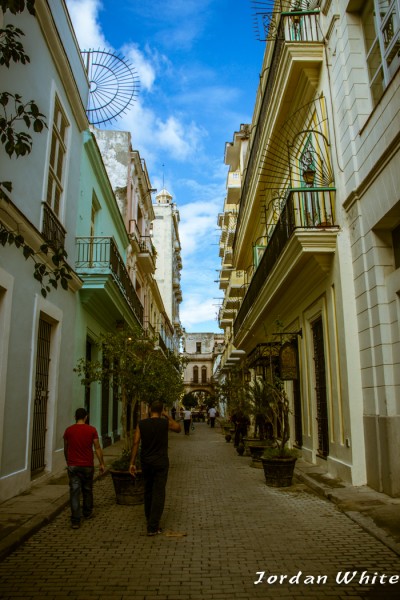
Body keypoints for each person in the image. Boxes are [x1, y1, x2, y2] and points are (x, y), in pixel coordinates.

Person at [129, 401, 181, 536]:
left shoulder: (141, 424)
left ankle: (149, 518)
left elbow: (135, 442)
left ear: (150, 409)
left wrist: (132, 463)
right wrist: (167, 415)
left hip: (146, 462)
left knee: (148, 490)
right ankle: (153, 526)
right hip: (161, 462)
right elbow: (178, 428)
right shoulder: (164, 423)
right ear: (162, 410)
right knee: (159, 492)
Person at [63, 407, 105, 529]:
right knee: (87, 489)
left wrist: (68, 461)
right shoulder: (92, 430)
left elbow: (66, 448)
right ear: (86, 417)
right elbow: (97, 447)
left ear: (75, 417)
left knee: (74, 492)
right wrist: (101, 463)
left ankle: (75, 520)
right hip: (87, 465)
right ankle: (87, 512)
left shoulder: (68, 431)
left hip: (73, 466)